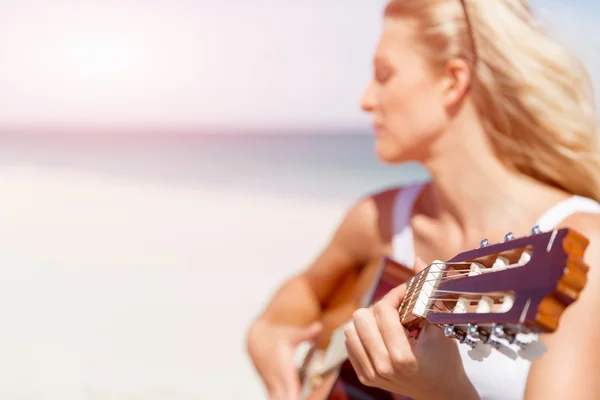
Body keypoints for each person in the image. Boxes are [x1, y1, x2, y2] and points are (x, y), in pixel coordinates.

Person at [246, 0, 600, 398]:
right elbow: (309, 287)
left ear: (452, 81)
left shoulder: (582, 253)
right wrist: (271, 326)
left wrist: (447, 392)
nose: (366, 99)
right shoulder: (378, 219)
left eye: (384, 75)